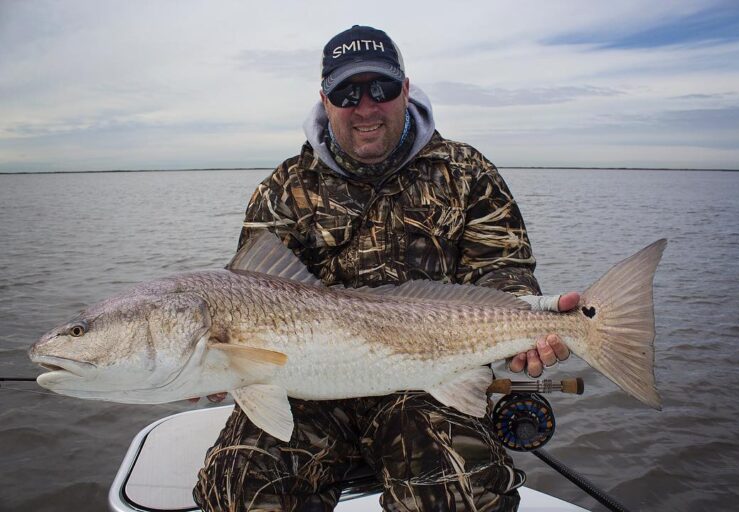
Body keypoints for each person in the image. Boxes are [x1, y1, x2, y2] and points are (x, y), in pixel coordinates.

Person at [194, 25, 577, 512]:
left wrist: (531, 322)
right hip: (303, 389)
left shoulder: (465, 173)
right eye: (347, 92)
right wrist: (203, 367)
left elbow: (502, 268)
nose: (366, 106)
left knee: (459, 495)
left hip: (429, 376)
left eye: (382, 88)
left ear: (407, 89)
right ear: (324, 100)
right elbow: (246, 295)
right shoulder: (284, 188)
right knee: (237, 491)